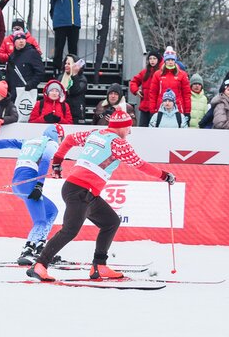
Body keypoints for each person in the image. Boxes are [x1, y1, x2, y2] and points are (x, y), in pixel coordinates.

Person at [27, 109, 175, 282]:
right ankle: (40, 265)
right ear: (122, 127)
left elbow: (68, 139)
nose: (130, 131)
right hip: (81, 191)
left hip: (82, 190)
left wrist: (58, 162)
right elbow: (139, 164)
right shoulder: (119, 144)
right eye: (129, 127)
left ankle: (99, 266)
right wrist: (164, 175)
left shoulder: (95, 133)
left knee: (111, 222)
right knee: (70, 231)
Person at [0, 124, 64, 265]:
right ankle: (28, 250)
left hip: (18, 184)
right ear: (56, 135)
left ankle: (40, 247)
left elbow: (6, 142)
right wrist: (39, 185)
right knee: (40, 221)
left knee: (51, 211)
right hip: (29, 183)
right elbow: (44, 161)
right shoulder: (51, 143)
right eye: (61, 138)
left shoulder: (29, 141)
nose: (61, 142)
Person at [46, 0, 95, 73]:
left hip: (74, 24)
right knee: (59, 48)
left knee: (73, 49)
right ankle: (57, 69)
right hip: (61, 24)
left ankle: (73, 70)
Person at [147, 46, 191, 119]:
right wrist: (152, 111)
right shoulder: (158, 74)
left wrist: (187, 111)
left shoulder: (182, 74)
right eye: (168, 60)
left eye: (172, 60)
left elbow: (186, 94)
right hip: (161, 108)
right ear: (165, 61)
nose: (170, 62)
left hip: (178, 109)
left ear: (175, 61)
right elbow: (153, 94)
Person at [5, 32, 45, 102]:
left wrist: (30, 85)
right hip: (14, 93)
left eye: (23, 38)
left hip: (28, 93)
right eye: (18, 39)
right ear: (14, 42)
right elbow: (9, 75)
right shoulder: (12, 56)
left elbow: (40, 72)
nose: (21, 41)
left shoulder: (33, 53)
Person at [129, 49, 162, 127]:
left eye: (154, 58)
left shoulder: (161, 72)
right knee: (142, 129)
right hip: (145, 107)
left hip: (157, 107)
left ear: (158, 60)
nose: (152, 61)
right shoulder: (144, 72)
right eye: (150, 59)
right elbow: (133, 82)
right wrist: (136, 91)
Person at [61, 54, 87, 124]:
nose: (66, 65)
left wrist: (74, 75)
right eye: (65, 63)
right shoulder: (60, 78)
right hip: (62, 111)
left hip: (76, 113)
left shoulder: (82, 79)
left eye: (69, 64)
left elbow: (75, 91)